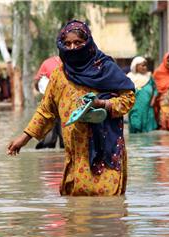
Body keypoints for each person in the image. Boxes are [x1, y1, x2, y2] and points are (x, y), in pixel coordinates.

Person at [7, 20, 135, 196]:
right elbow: (46, 110)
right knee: (77, 205)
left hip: (106, 149)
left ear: (88, 43)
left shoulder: (105, 68)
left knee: (108, 209)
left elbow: (128, 98)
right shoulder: (59, 75)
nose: (73, 48)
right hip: (76, 152)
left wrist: (103, 104)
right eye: (67, 44)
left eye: (78, 43)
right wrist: (24, 138)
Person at [33, 56, 64, 149]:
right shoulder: (74, 61)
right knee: (65, 140)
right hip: (63, 105)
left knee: (49, 140)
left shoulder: (47, 62)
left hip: (54, 105)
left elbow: (36, 81)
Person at [127, 56, 158, 133]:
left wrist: (153, 100)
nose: (145, 67)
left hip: (147, 106)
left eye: (145, 65)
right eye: (142, 65)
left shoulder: (149, 76)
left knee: (147, 126)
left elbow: (155, 89)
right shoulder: (130, 77)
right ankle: (136, 144)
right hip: (135, 105)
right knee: (135, 124)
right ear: (136, 66)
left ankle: (146, 144)